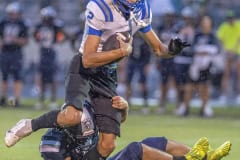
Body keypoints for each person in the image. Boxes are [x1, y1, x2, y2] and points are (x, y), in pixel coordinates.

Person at [5, 0, 189, 159]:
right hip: (84, 68)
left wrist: (172, 50)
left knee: (108, 144)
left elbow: (158, 49)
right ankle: (29, 125)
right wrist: (122, 51)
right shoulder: (101, 7)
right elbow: (88, 58)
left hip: (107, 74)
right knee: (72, 116)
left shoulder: (140, 9)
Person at [39, 96, 231, 160]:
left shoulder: (87, 114)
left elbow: (115, 124)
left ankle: (207, 156)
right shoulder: (52, 140)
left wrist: (124, 109)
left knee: (154, 142)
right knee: (135, 149)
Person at [177, 15, 220, 117]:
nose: (205, 24)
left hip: (207, 65)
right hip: (195, 65)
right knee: (189, 86)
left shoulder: (213, 35)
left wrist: (207, 51)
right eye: (204, 21)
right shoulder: (197, 35)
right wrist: (201, 51)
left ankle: (204, 108)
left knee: (204, 87)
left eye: (207, 21)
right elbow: (191, 48)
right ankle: (185, 108)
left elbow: (216, 49)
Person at [34, 6, 65, 110]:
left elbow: (62, 38)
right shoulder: (40, 26)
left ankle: (53, 100)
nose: (47, 20)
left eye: (48, 18)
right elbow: (36, 37)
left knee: (52, 78)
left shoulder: (56, 26)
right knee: (41, 78)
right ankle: (41, 99)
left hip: (52, 52)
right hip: (43, 52)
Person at [0, 2, 28, 107]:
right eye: (11, 13)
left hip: (16, 53)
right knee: (5, 76)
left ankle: (16, 99)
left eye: (14, 13)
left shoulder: (22, 24)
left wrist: (15, 40)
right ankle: (3, 98)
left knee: (17, 76)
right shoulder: (3, 23)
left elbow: (25, 41)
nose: (12, 15)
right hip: (5, 52)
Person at [217, 10, 240, 104]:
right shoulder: (224, 26)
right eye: (229, 18)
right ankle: (223, 95)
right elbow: (221, 40)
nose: (230, 20)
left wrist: (233, 50)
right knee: (226, 74)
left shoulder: (238, 25)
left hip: (237, 52)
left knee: (239, 75)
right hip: (227, 53)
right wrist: (226, 50)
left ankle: (238, 95)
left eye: (231, 18)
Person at [125, 34, 151, 114]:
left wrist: (147, 63)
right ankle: (128, 104)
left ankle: (145, 104)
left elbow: (149, 50)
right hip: (132, 60)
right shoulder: (131, 34)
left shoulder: (145, 35)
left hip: (142, 61)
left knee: (143, 83)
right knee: (128, 83)